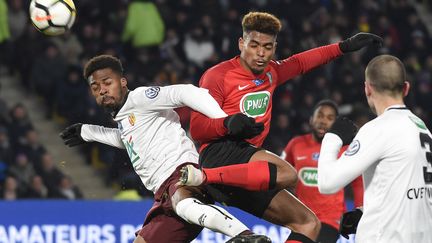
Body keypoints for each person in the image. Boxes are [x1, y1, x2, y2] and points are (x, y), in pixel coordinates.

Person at [180, 11, 382, 243]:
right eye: (254, 45)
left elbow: (302, 62)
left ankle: (207, 179)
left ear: (275, 47)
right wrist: (229, 124)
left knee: (308, 223)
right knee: (287, 173)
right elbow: (196, 129)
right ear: (241, 43)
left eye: (267, 47)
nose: (261, 53)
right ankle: (203, 177)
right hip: (219, 154)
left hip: (247, 171)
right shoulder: (217, 76)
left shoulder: (272, 73)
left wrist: (344, 47)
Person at [59, 55, 270, 243]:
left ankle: (245, 236)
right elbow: (128, 141)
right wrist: (87, 132)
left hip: (182, 173)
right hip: (163, 194)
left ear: (123, 82)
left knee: (182, 203)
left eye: (107, 83)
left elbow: (184, 92)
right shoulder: (125, 118)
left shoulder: (140, 98)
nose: (102, 90)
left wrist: (225, 120)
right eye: (96, 88)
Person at [317, 54, 432, 242]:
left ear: (367, 88)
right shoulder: (422, 128)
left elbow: (327, 183)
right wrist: (364, 211)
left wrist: (332, 138)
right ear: (406, 88)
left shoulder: (378, 129)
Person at [281, 99, 364, 243]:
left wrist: (360, 209)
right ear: (311, 119)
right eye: (320, 116)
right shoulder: (295, 144)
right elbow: (281, 173)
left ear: (336, 124)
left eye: (330, 118)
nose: (323, 121)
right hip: (302, 218)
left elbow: (357, 181)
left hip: (331, 220)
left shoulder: (345, 149)